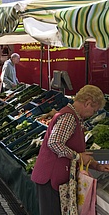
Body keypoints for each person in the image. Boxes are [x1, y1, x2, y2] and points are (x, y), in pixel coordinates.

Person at [31, 85, 109, 215]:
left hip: (55, 178)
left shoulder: (74, 117)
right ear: (88, 103)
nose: (93, 114)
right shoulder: (69, 117)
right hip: (50, 179)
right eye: (94, 111)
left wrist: (96, 165)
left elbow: (75, 149)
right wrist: (78, 157)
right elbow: (54, 143)